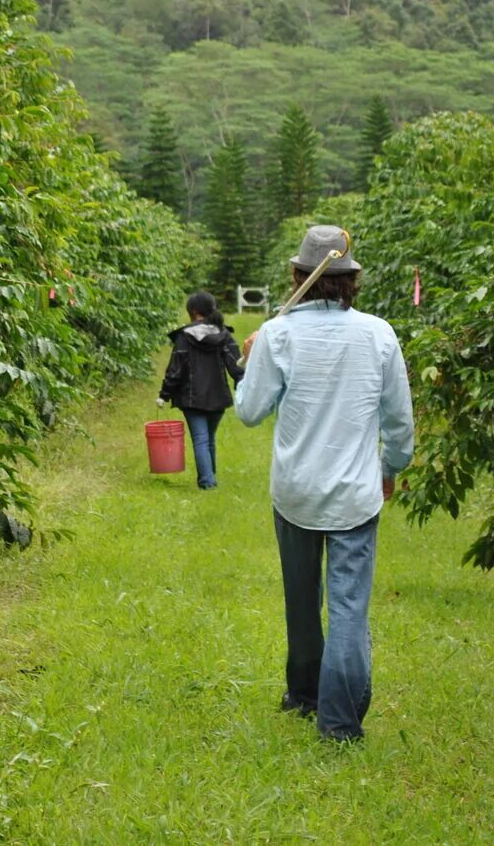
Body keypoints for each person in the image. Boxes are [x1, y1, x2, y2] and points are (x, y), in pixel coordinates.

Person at [233, 224, 414, 743]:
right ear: (352, 281)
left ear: (298, 277)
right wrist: (391, 467)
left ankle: (305, 694)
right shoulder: (378, 333)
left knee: (301, 597)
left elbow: (248, 411)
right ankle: (337, 721)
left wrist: (251, 359)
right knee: (349, 608)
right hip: (355, 495)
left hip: (294, 492)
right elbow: (399, 421)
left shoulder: (278, 333)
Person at [157, 292, 245, 490]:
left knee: (200, 438)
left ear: (194, 312)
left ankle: (207, 482)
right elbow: (236, 364)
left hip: (191, 397)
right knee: (208, 438)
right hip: (218, 396)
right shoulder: (224, 334)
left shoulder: (184, 337)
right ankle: (209, 478)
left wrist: (164, 394)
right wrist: (241, 383)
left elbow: (176, 369)